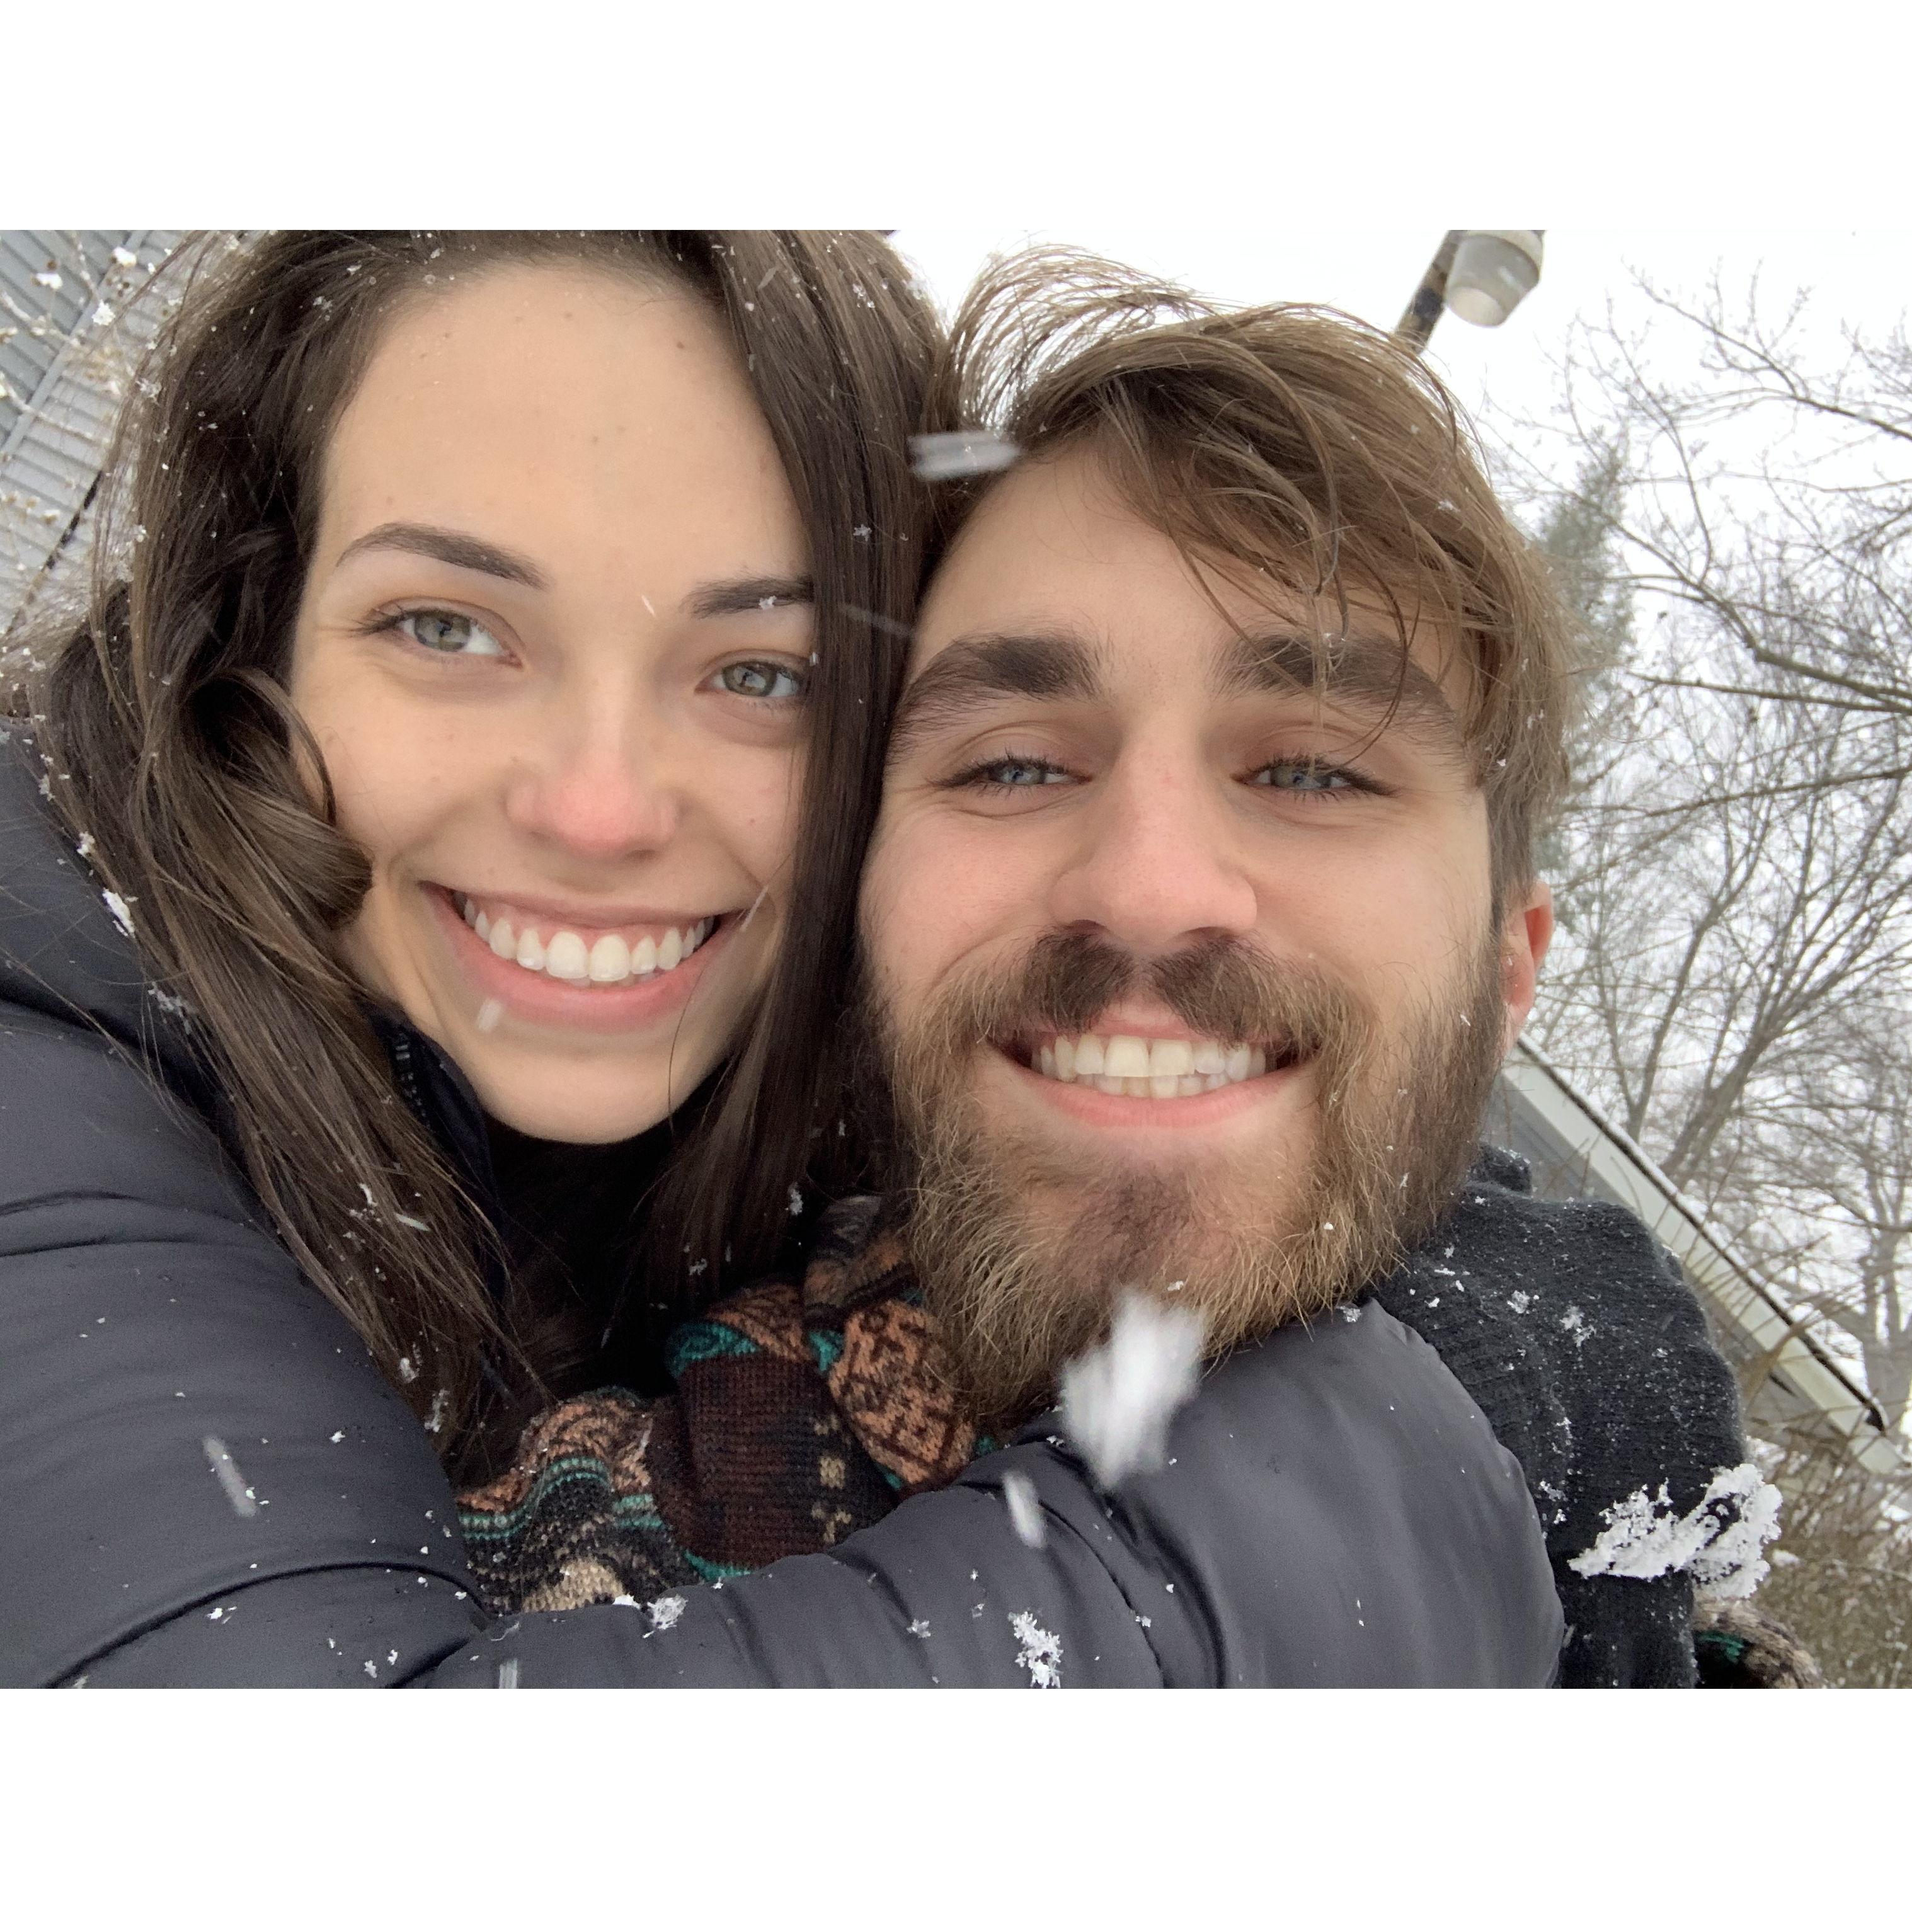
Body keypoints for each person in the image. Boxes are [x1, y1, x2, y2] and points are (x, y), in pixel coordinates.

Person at [0, 232, 1561, 1687]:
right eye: (446, 627)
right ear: (249, 641)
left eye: (761, 672)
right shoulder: (54, 1040)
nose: (599, 808)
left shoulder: (797, 1113)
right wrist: (1385, 1478)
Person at [457, 254, 1779, 1688]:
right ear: (859, 913)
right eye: (1015, 763)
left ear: (1505, 972)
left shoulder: (1670, 1610)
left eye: (1315, 772)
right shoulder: (554, 1569)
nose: (1147, 888)